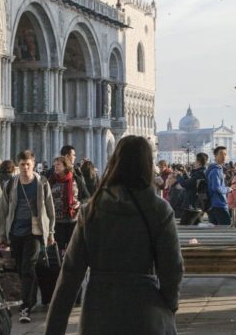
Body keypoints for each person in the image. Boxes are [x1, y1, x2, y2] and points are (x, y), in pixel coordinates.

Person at [44, 136, 183, 335]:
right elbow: (172, 268)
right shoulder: (159, 209)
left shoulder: (92, 209)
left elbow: (70, 275)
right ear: (147, 165)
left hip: (99, 314)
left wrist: (53, 329)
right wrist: (168, 305)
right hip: (145, 313)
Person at [0, 150, 55, 324]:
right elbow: (3, 210)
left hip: (34, 232)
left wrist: (51, 232)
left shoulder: (41, 183)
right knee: (21, 270)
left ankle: (25, 307)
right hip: (15, 232)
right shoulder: (11, 184)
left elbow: (49, 209)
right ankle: (31, 296)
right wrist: (1, 234)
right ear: (17, 165)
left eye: (27, 164)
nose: (24, 168)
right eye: (21, 164)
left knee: (28, 267)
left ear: (33, 164)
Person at [49, 155, 80, 252]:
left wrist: (79, 203)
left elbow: (85, 197)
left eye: (58, 164)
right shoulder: (52, 180)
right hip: (57, 221)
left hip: (72, 219)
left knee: (72, 249)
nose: (56, 167)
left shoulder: (75, 179)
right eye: (55, 165)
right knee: (58, 248)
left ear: (65, 166)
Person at [177, 153, 208, 225]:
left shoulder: (199, 173)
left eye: (195, 160)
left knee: (188, 225)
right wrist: (184, 173)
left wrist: (178, 176)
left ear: (199, 162)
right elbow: (191, 183)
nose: (194, 163)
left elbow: (186, 184)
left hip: (193, 204)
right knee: (194, 224)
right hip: (196, 203)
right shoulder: (201, 172)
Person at [206, 146, 231, 225]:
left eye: (225, 154)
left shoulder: (217, 169)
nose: (224, 156)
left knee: (216, 231)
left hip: (214, 204)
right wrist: (228, 189)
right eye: (221, 154)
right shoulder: (216, 171)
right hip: (219, 204)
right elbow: (216, 188)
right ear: (215, 156)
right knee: (226, 230)